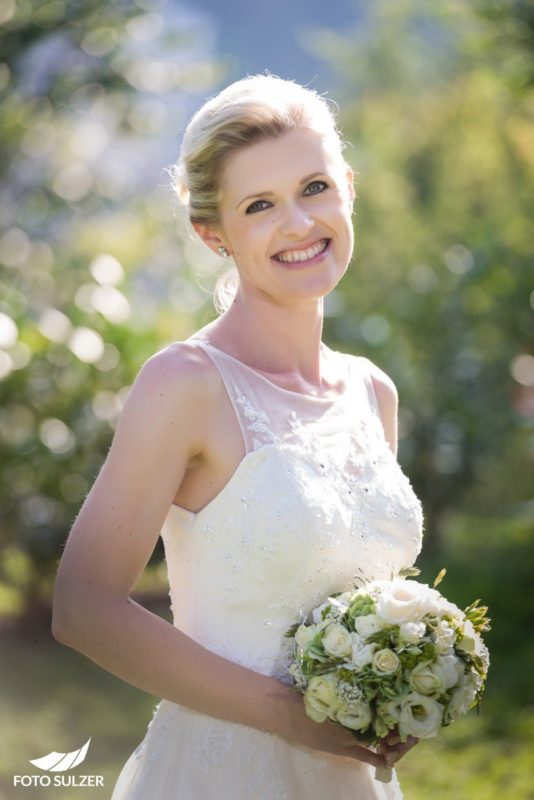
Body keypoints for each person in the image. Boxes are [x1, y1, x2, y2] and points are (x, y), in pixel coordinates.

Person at [52, 73, 424, 799]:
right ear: (212, 232)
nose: (298, 223)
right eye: (260, 205)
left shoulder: (374, 393)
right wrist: (291, 718)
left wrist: (403, 684)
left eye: (314, 187)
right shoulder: (185, 384)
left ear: (348, 186)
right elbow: (82, 607)